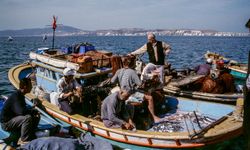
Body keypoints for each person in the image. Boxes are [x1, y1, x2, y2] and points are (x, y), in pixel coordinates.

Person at [111, 57, 161, 123]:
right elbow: (140, 84)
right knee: (150, 97)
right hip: (130, 93)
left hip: (121, 92)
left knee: (142, 93)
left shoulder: (119, 71)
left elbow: (112, 81)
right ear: (131, 63)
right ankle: (153, 117)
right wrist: (150, 78)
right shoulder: (132, 72)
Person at [0, 78, 40, 145]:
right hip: (6, 123)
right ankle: (24, 140)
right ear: (25, 87)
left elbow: (22, 109)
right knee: (27, 118)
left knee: (35, 115)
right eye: (30, 85)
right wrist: (32, 111)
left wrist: (33, 111)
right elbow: (21, 112)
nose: (31, 87)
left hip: (13, 119)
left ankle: (31, 133)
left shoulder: (21, 95)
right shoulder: (16, 96)